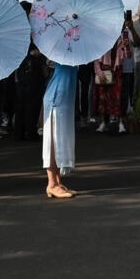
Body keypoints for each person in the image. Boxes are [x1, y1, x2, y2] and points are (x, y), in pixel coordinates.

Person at [41, 63, 79, 198]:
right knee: (53, 139)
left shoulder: (71, 49)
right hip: (57, 96)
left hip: (64, 95)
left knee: (61, 139)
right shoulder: (60, 48)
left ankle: (57, 181)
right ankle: (51, 183)